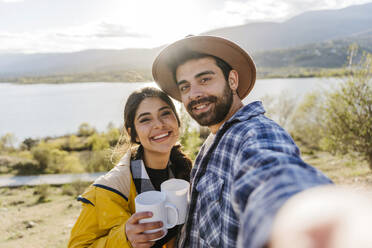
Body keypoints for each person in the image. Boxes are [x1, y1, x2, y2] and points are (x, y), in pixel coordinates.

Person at [151, 35, 335, 248]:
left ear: (232, 80)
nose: (195, 94)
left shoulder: (257, 133)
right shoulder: (215, 138)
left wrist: (317, 224)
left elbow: (273, 179)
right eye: (185, 87)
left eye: (205, 79)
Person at [68, 87, 192, 248]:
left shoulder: (185, 170)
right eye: (145, 119)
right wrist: (125, 237)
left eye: (165, 113)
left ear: (177, 119)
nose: (159, 124)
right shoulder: (108, 190)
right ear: (132, 133)